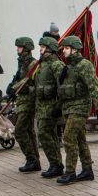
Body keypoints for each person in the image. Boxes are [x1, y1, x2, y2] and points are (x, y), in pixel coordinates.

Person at [56, 36, 98, 183]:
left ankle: (70, 172)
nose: (64, 51)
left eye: (66, 48)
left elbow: (93, 85)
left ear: (75, 49)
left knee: (68, 137)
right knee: (80, 139)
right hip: (69, 107)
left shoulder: (84, 65)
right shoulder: (68, 67)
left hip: (80, 107)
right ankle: (87, 170)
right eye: (64, 48)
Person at [34, 36, 65, 178]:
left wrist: (58, 106)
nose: (40, 48)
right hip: (42, 106)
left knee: (45, 134)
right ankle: (56, 164)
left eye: (43, 46)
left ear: (50, 49)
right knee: (48, 135)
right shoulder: (42, 65)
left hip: (51, 106)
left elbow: (62, 86)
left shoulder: (56, 65)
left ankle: (56, 164)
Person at [8, 37, 40, 172]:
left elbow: (36, 85)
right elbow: (19, 80)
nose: (17, 49)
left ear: (26, 48)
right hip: (22, 101)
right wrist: (11, 86)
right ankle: (34, 160)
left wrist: (24, 89)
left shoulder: (32, 64)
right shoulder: (22, 63)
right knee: (28, 131)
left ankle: (31, 159)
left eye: (19, 47)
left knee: (20, 131)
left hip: (29, 102)